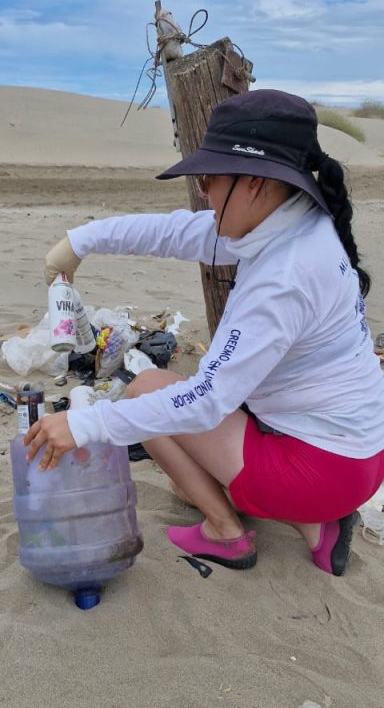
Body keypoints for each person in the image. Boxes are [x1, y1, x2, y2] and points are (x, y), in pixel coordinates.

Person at [24, 89, 384, 576]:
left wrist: (84, 424)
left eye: (209, 178)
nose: (203, 192)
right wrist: (80, 242)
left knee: (144, 393)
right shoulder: (293, 221)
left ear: (254, 182)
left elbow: (205, 402)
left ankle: (226, 532)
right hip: (357, 455)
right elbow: (176, 232)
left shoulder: (283, 278)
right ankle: (317, 525)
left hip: (322, 468)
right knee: (176, 441)